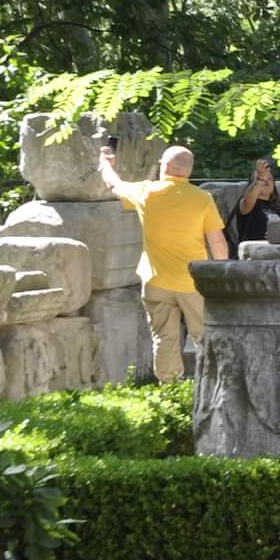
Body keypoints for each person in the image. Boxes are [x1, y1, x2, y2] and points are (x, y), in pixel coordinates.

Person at [99, 142, 227, 384]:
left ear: (165, 166)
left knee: (165, 338)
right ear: (188, 170)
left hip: (156, 280)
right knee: (207, 336)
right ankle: (217, 386)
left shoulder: (147, 192)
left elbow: (113, 184)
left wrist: (105, 164)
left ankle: (170, 389)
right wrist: (221, 278)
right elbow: (217, 241)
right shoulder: (202, 199)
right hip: (194, 282)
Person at [232, 157, 280, 247]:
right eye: (259, 178)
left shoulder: (277, 209)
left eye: (269, 178)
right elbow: (247, 202)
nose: (265, 180)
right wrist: (260, 179)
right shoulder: (245, 203)